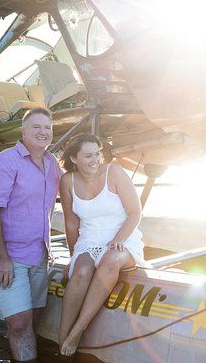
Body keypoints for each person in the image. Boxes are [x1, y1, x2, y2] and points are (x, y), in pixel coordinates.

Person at [0, 107, 61, 361]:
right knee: (19, 323)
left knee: (31, 318)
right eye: (36, 126)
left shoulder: (52, 163)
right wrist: (1, 257)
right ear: (23, 131)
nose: (43, 132)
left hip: (39, 253)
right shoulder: (4, 162)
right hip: (9, 254)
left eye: (47, 127)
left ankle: (15, 346)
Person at [58, 133, 145, 356]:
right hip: (89, 239)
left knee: (109, 261)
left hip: (123, 237)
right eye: (88, 155)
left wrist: (119, 239)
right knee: (82, 270)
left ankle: (78, 330)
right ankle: (61, 338)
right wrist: (73, 258)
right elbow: (71, 223)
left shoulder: (114, 172)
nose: (96, 159)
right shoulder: (67, 180)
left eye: (97, 153)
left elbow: (135, 212)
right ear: (74, 159)